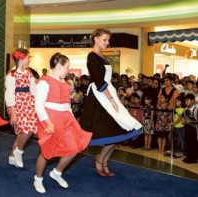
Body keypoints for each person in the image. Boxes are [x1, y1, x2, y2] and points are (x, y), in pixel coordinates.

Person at [80, 28, 142, 177]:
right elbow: (99, 81)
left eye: (108, 40)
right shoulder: (92, 56)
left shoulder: (102, 56)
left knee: (120, 131)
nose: (107, 43)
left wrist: (115, 98)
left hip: (108, 95)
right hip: (100, 98)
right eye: (105, 39)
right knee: (114, 131)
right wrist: (112, 100)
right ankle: (101, 160)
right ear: (95, 38)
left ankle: (102, 160)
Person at [33, 52, 92, 193]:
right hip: (50, 119)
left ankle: (57, 172)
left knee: (74, 148)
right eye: (67, 67)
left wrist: (72, 119)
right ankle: (38, 178)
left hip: (66, 118)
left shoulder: (65, 84)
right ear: (59, 66)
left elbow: (67, 104)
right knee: (47, 152)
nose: (68, 70)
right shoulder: (44, 81)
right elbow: (38, 105)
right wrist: (48, 123)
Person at [5, 48, 38, 168]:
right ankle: (18, 151)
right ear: (21, 58)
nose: (29, 60)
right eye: (28, 57)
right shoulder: (11, 74)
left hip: (28, 103)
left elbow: (33, 90)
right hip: (17, 105)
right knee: (28, 130)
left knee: (22, 133)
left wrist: (36, 104)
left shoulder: (28, 72)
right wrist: (13, 113)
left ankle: (12, 157)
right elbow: (9, 94)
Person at [182, 93, 198, 163]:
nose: (186, 102)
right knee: (187, 143)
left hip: (194, 130)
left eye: (188, 100)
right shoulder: (185, 110)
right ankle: (188, 157)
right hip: (187, 130)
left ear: (193, 101)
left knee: (194, 144)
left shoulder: (196, 110)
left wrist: (191, 122)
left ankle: (193, 158)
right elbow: (182, 118)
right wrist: (183, 121)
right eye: (185, 101)